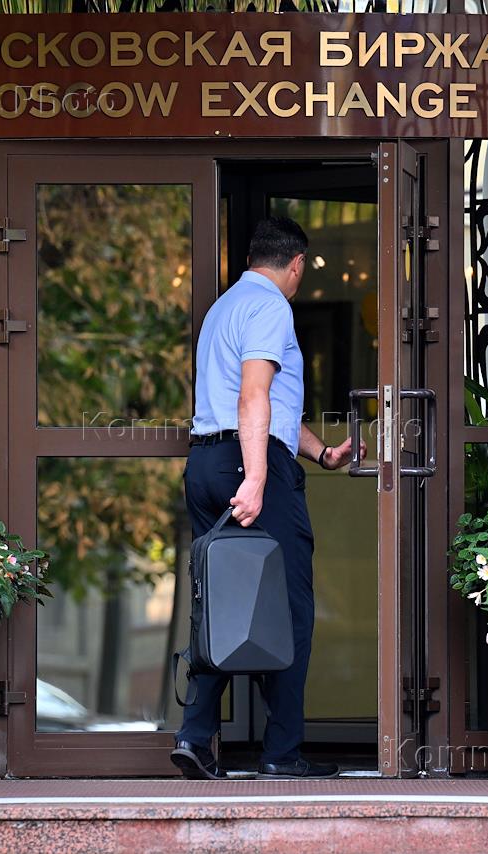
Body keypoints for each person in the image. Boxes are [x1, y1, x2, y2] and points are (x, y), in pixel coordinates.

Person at [171, 216, 362, 780]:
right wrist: (256, 478)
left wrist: (321, 453)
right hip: (246, 464)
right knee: (290, 607)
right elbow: (253, 398)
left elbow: (264, 405)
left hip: (206, 462)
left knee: (222, 602)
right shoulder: (272, 307)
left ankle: (194, 737)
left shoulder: (223, 308)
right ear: (296, 263)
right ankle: (282, 752)